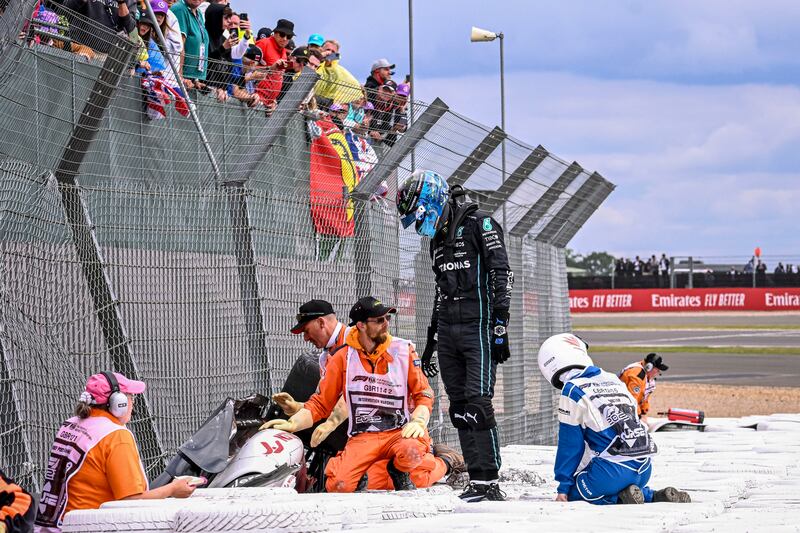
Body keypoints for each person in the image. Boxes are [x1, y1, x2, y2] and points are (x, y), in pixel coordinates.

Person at [396, 170, 513, 502]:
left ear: (432, 202)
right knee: (458, 408)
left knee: (478, 403)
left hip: (478, 323)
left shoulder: (480, 224)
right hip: (448, 328)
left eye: (419, 215)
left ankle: (490, 480)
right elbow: (439, 292)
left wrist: (500, 326)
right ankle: (476, 480)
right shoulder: (435, 240)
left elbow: (501, 272)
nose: (419, 225)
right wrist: (431, 343)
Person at [274, 299, 464, 490]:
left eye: (386, 318)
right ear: (361, 326)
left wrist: (419, 420)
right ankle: (363, 472)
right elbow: (325, 400)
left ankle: (445, 459)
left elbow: (423, 393)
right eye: (380, 320)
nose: (386, 323)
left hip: (403, 431)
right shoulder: (341, 355)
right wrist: (296, 418)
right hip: (363, 433)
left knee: (415, 471)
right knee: (342, 485)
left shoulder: (402, 351)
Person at [537, 333, 691, 505]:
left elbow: (570, 444)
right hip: (645, 466)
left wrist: (563, 488)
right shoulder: (613, 380)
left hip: (613, 472)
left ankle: (618, 497)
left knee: (576, 491)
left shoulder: (572, 390)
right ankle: (651, 495)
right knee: (607, 467)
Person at [34, 372, 196, 531]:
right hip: (89, 526)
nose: (133, 403)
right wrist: (173, 489)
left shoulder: (70, 424)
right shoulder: (115, 435)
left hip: (54, 526)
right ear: (119, 403)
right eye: (131, 397)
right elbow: (130, 502)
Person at [619, 352, 669, 425]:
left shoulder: (645, 374)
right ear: (649, 367)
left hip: (628, 408)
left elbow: (643, 397)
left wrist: (643, 412)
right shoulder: (638, 375)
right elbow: (631, 400)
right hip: (621, 408)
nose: (659, 372)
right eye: (657, 369)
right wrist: (639, 416)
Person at [170, 0, 210, 90]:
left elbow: (199, 43)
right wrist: (180, 76)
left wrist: (195, 80)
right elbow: (179, 46)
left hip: (190, 77)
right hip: (178, 77)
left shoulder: (198, 12)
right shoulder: (180, 9)